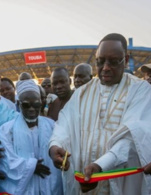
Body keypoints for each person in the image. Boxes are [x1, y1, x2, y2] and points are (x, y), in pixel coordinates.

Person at [49, 33, 151, 195]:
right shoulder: (81, 94)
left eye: (113, 61)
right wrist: (55, 146)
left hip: (121, 185)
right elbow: (64, 125)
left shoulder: (140, 90)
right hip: (86, 185)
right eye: (100, 61)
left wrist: (100, 166)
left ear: (125, 59)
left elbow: (131, 140)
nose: (105, 67)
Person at [0, 79, 63, 195]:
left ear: (41, 103)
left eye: (36, 104)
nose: (31, 109)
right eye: (26, 105)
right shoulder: (6, 130)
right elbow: (5, 160)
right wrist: (31, 167)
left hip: (49, 186)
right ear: (19, 104)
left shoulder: (51, 126)